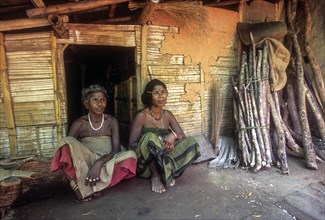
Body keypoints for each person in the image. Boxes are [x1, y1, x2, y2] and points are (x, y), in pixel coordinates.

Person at [51, 84, 137, 201]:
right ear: (87, 104)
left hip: (108, 160)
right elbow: (70, 149)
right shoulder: (79, 123)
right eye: (95, 100)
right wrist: (92, 163)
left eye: (103, 100)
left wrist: (99, 163)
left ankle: (92, 186)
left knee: (131, 156)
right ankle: (87, 184)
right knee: (66, 143)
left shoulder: (111, 121)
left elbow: (116, 149)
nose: (100, 104)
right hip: (87, 162)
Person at [128, 79, 201, 193]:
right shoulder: (142, 116)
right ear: (149, 96)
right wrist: (158, 145)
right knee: (150, 137)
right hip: (146, 165)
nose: (161, 96)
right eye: (156, 93)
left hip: (165, 158)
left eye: (163, 92)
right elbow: (132, 145)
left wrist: (173, 136)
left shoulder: (168, 115)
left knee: (191, 141)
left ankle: (166, 170)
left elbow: (182, 136)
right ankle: (156, 175)